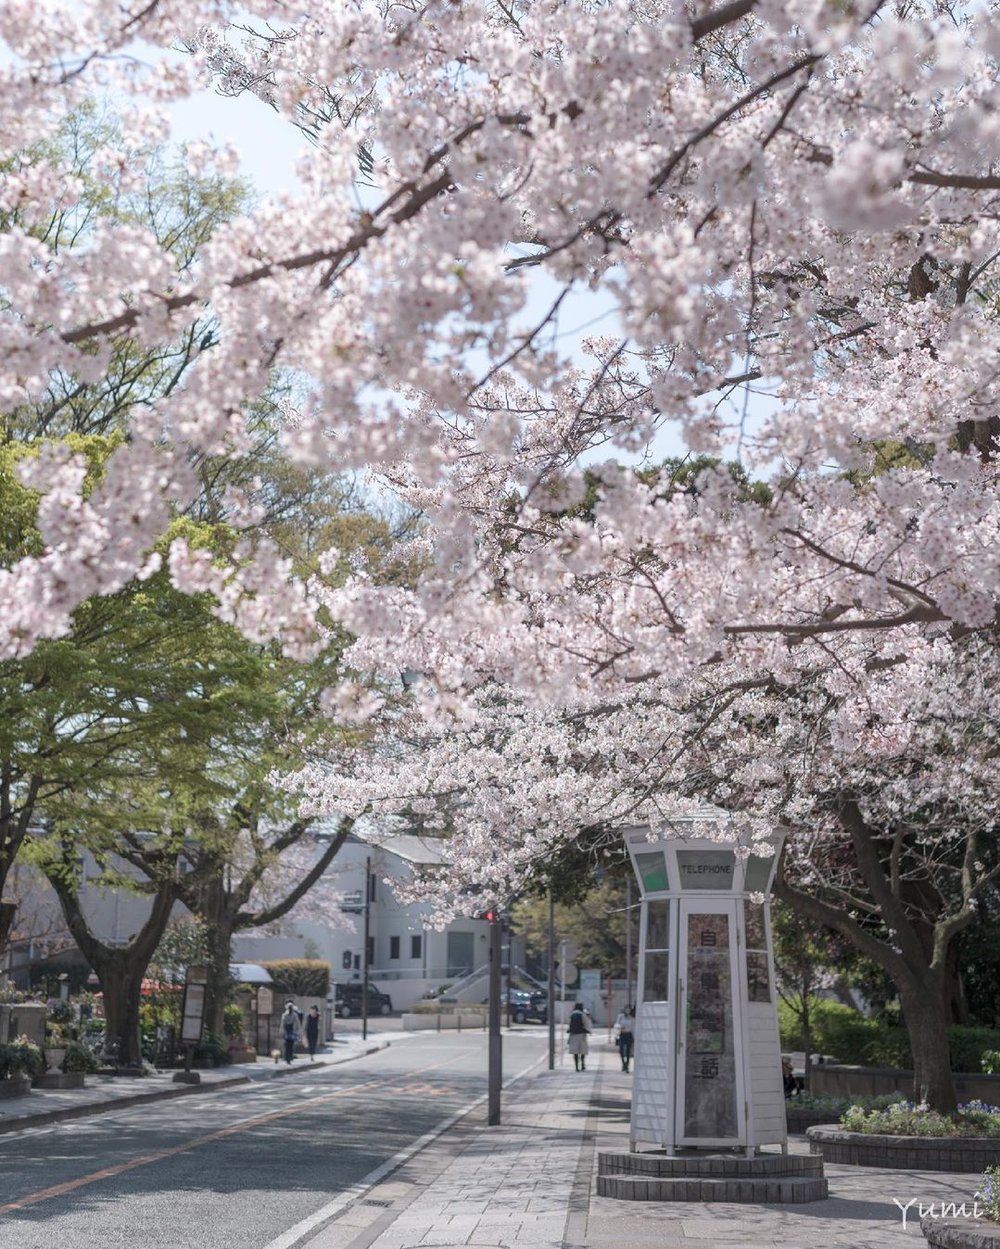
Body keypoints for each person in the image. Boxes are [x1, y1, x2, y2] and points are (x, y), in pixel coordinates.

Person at [567, 1001, 591, 1071]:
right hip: (581, 1034)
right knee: (582, 1050)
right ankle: (583, 1064)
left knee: (575, 1052)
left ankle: (576, 1067)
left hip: (573, 1035)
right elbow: (586, 1024)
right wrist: (588, 1030)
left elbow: (569, 1024)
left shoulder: (572, 1014)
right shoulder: (582, 1014)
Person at [614, 1005, 635, 1073]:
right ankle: (623, 1063)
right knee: (621, 1050)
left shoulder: (631, 1018)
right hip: (622, 1034)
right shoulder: (621, 1016)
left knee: (628, 1051)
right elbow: (616, 1024)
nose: (627, 1011)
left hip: (629, 1034)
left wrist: (634, 1037)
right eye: (626, 1009)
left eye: (628, 1009)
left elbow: (633, 1028)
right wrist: (620, 1026)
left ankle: (627, 1066)